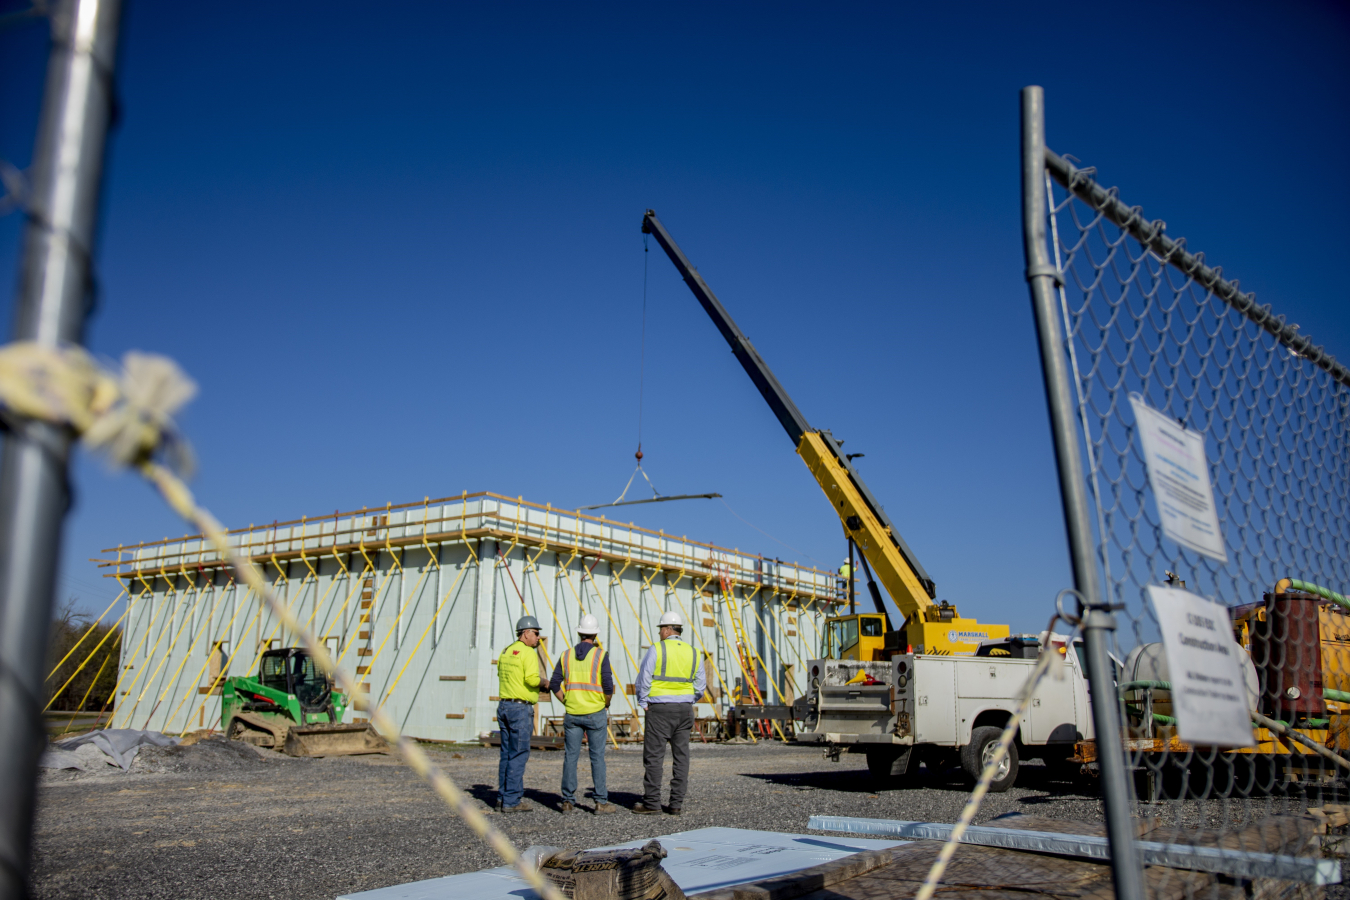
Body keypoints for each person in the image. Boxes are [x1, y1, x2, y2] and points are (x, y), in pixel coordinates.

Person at [632, 610, 706, 815]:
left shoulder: (657, 649)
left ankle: (652, 803)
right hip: (684, 709)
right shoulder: (694, 652)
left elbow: (643, 680)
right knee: (681, 757)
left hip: (659, 709)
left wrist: (643, 702)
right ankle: (676, 805)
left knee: (654, 757)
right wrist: (687, 700)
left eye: (660, 629)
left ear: (666, 630)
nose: (658, 634)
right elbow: (700, 686)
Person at [548, 614, 617, 815]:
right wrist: (606, 702)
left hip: (573, 713)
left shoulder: (566, 655)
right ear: (595, 634)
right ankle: (600, 802)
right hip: (595, 713)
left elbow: (554, 684)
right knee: (597, 758)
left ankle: (567, 801)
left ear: (579, 632)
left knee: (571, 757)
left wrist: (566, 700)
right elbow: (607, 684)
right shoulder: (600, 655)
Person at [496, 615, 542, 812]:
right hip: (520, 709)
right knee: (519, 753)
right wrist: (545, 683)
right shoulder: (528, 653)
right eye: (536, 633)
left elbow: (500, 674)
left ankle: (502, 797)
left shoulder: (506, 651)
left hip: (504, 706)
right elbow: (532, 680)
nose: (538, 638)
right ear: (525, 634)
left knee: (506, 754)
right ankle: (512, 801)